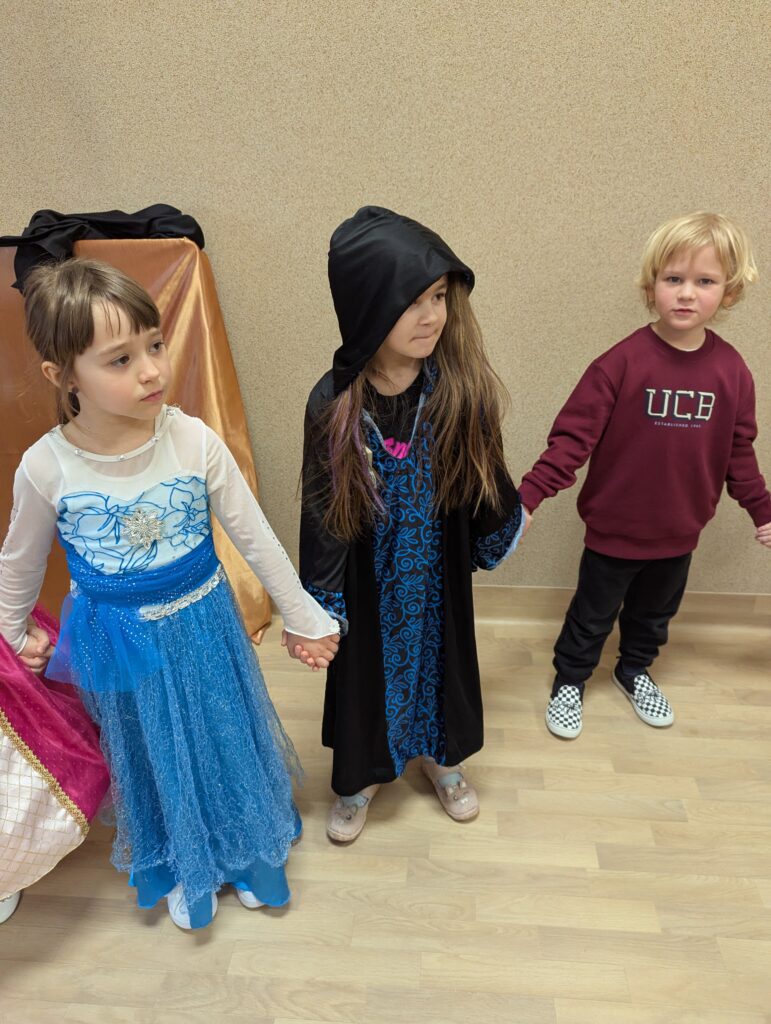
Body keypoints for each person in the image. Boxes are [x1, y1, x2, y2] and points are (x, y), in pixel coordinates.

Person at [0, 258, 340, 929]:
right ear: (63, 375)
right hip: (115, 639)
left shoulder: (191, 439)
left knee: (222, 736)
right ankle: (189, 864)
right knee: (153, 751)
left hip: (202, 623)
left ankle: (247, 855)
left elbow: (255, 537)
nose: (152, 370)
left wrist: (304, 616)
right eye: (120, 359)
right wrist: (13, 640)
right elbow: (19, 561)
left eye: (154, 345)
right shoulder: (45, 466)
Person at [300, 206, 525, 842]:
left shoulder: (456, 389)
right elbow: (322, 507)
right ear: (368, 304)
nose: (431, 316)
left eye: (439, 297)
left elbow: (485, 472)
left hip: (437, 568)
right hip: (368, 574)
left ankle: (441, 759)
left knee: (441, 660)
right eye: (411, 301)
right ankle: (362, 775)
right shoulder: (334, 402)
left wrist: (502, 521)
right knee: (367, 672)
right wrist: (320, 604)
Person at [518, 212, 771, 740]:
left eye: (705, 281)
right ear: (652, 285)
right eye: (673, 278)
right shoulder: (620, 364)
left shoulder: (732, 372)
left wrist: (763, 511)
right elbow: (571, 442)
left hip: (680, 530)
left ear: (727, 292)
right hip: (614, 528)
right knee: (592, 615)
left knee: (653, 617)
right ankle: (570, 681)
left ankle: (634, 671)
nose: (687, 293)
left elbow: (739, 454)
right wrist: (527, 498)